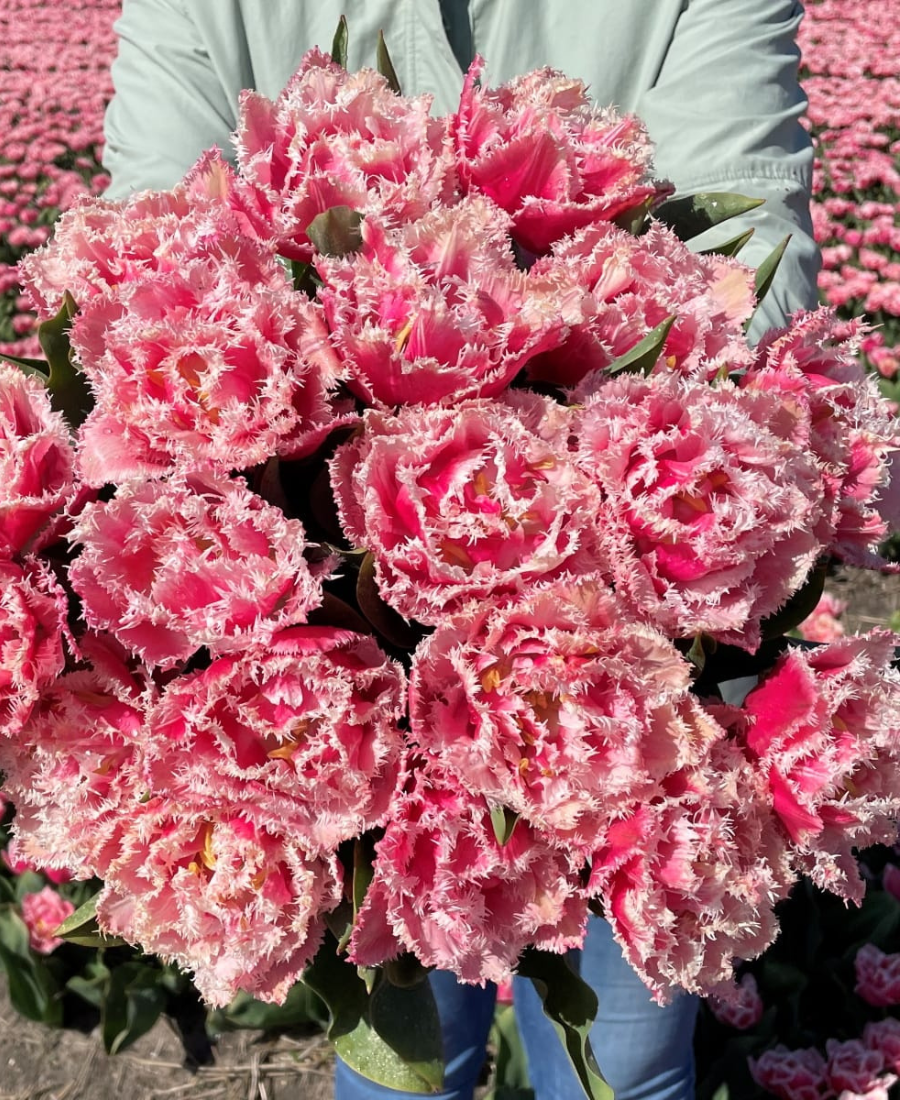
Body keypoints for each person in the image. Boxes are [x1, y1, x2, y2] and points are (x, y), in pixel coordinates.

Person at [100, 3, 822, 1098]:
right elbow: (131, 285)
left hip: (640, 674)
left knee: (623, 1065)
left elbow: (751, 289)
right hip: (316, 685)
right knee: (411, 1048)